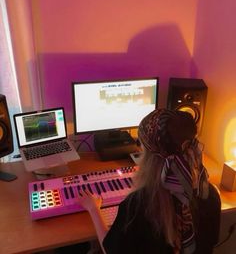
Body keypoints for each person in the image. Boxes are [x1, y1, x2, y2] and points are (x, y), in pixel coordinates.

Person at [77, 109, 221, 254]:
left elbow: (111, 250)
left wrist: (93, 208)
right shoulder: (210, 195)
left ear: (149, 156)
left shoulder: (137, 206)